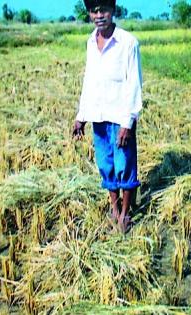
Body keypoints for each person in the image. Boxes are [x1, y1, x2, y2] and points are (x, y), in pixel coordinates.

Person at [72, 0, 143, 233]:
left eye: (103, 10)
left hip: (120, 117)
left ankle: (125, 214)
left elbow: (134, 84)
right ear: (89, 14)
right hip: (99, 117)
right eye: (94, 11)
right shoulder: (91, 42)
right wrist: (81, 116)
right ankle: (114, 208)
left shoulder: (128, 42)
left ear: (113, 11)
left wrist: (128, 122)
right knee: (106, 165)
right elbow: (89, 80)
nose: (99, 15)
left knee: (125, 165)